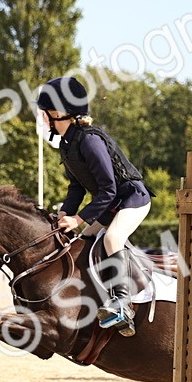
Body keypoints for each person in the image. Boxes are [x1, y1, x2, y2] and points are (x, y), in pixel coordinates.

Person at [36, 76, 152, 336]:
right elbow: (76, 187)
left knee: (112, 238)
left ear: (58, 113)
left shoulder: (89, 140)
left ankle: (123, 305)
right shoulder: (67, 144)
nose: (43, 119)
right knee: (81, 243)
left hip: (132, 198)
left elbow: (109, 188)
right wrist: (65, 214)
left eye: (45, 114)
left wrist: (79, 219)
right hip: (110, 204)